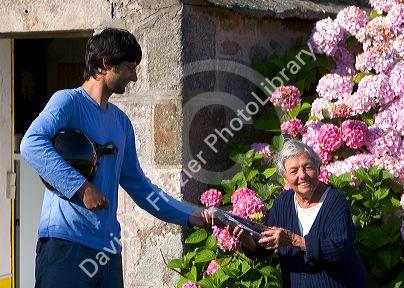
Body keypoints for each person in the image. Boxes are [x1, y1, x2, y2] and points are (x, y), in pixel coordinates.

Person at [20, 28, 210, 288]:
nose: (133, 77)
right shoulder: (67, 102)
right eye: (130, 68)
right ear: (106, 63)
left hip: (108, 252)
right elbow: (31, 144)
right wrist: (82, 188)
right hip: (66, 245)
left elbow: (141, 189)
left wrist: (191, 214)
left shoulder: (121, 123)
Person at [232, 139, 366, 287]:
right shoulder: (283, 203)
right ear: (286, 178)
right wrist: (247, 241)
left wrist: (293, 240)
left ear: (318, 168)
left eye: (307, 167)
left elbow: (339, 249)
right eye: (294, 171)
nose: (302, 175)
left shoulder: (335, 200)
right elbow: (265, 247)